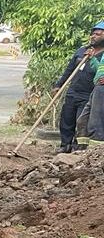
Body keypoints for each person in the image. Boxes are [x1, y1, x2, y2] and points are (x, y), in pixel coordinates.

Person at [56, 23, 104, 152]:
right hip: (73, 91)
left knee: (82, 122)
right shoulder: (82, 51)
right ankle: (65, 145)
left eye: (98, 34)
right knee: (67, 120)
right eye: (92, 34)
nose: (93, 36)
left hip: (88, 93)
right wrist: (58, 84)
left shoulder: (103, 56)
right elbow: (69, 69)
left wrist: (93, 59)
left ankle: (79, 148)